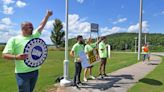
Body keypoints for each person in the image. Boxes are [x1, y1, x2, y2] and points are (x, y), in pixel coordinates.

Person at [2, 10, 53, 92]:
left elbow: (41, 26)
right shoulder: (14, 40)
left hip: (35, 71)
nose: (32, 28)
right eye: (30, 27)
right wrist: (16, 57)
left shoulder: (34, 36)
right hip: (22, 73)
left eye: (32, 26)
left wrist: (47, 16)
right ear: (23, 28)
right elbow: (4, 55)